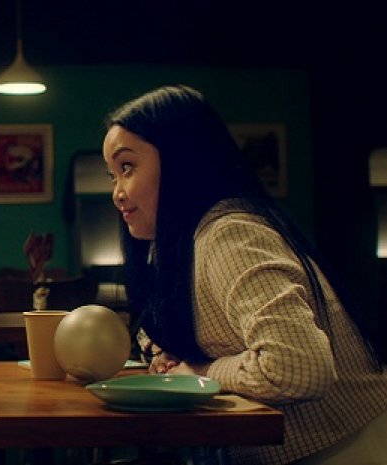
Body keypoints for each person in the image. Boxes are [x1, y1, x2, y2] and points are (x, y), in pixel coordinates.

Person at [103, 84, 387, 464]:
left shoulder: (229, 235)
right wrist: (171, 354)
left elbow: (297, 368)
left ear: (180, 161)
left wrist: (199, 372)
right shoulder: (175, 247)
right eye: (112, 175)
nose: (117, 193)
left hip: (348, 450)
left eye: (127, 168)